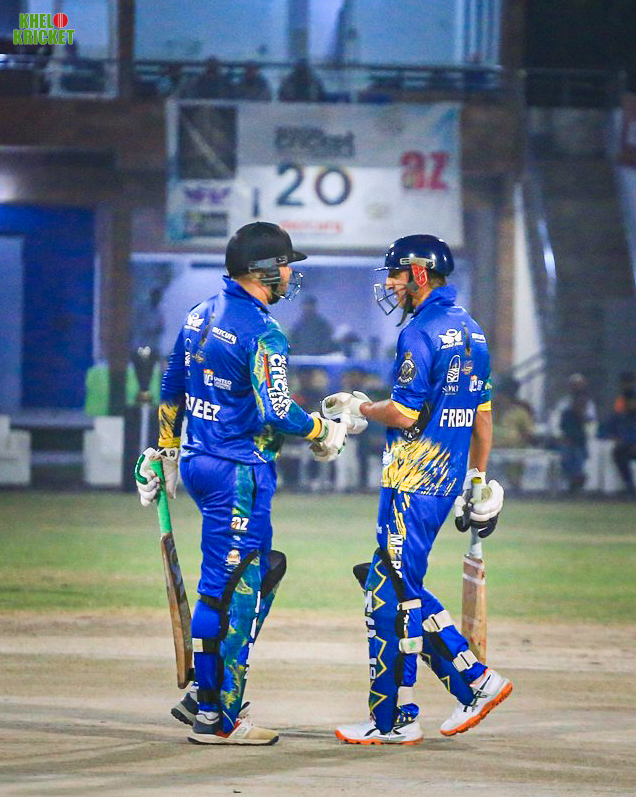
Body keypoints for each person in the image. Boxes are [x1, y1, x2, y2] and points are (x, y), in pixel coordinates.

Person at [134, 222, 348, 745]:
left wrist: (165, 449)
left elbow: (172, 384)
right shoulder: (263, 331)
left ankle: (207, 690)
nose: (290, 274)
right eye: (286, 265)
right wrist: (322, 430)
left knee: (258, 573)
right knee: (229, 590)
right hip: (238, 472)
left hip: (199, 461)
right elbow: (276, 408)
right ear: (264, 271)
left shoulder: (200, 313)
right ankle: (217, 716)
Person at [321, 234, 510, 745]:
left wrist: (360, 408)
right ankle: (427, 703)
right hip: (444, 480)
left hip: (412, 479)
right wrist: (476, 478)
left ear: (420, 274)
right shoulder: (472, 332)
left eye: (396, 274)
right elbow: (482, 418)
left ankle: (444, 696)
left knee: (393, 594)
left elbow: (404, 413)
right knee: (394, 588)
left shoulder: (420, 331)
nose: (390, 284)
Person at [550, 373, 597, 493]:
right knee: (566, 454)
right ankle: (576, 479)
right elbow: (555, 422)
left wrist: (581, 413)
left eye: (580, 385)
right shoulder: (563, 404)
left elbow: (591, 424)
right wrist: (560, 436)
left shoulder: (588, 405)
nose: (577, 388)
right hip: (564, 439)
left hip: (580, 440)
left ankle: (576, 480)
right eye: (575, 385)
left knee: (578, 454)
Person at [492, 376, 536, 493]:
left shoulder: (520, 412)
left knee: (515, 469)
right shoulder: (489, 411)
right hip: (491, 451)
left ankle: (515, 489)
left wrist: (518, 439)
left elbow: (529, 433)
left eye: (502, 396)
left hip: (514, 451)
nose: (499, 398)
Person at [601, 388, 636, 495]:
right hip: (625, 449)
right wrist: (613, 437)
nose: (632, 404)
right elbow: (601, 431)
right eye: (629, 401)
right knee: (618, 452)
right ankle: (629, 486)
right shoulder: (618, 417)